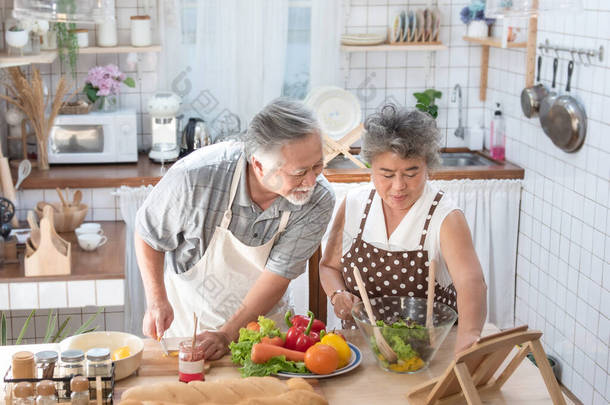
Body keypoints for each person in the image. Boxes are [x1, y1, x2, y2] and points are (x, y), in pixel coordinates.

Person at [135, 98, 335, 360]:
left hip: (264, 334)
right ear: (260, 165)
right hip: (187, 329)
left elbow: (278, 276)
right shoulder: (195, 178)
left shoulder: (319, 198)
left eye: (318, 166)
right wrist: (156, 300)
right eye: (299, 172)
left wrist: (227, 334)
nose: (311, 181)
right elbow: (149, 235)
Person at [319, 105, 487, 354]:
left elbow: (471, 284)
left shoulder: (444, 216)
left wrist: (469, 338)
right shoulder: (354, 204)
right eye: (386, 174)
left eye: (411, 173)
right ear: (371, 168)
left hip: (430, 351)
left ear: (427, 166)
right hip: (363, 349)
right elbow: (329, 267)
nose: (398, 186)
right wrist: (338, 294)